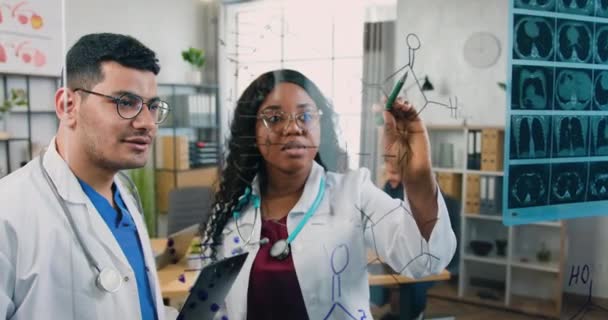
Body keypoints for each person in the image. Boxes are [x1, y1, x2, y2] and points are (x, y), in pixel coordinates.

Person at [199, 69, 457, 319]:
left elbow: (424, 259)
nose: (293, 128)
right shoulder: (231, 210)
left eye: (305, 116)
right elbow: (217, 306)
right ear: (252, 132)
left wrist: (418, 174)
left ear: (320, 126)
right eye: (275, 118)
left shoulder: (353, 192)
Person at [0, 33, 171, 320]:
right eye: (126, 102)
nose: (147, 123)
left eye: (152, 106)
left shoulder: (125, 195)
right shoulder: (9, 210)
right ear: (68, 106)